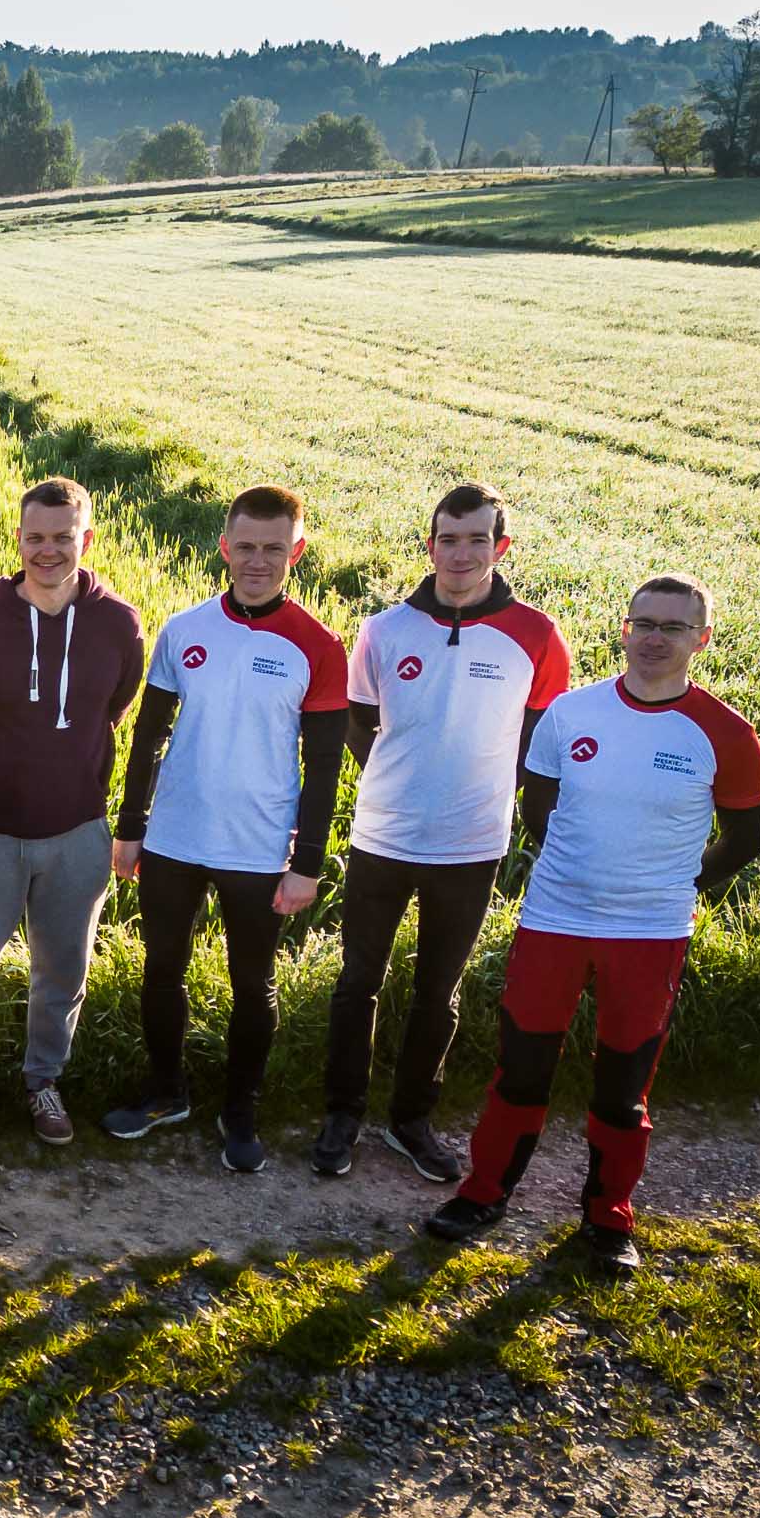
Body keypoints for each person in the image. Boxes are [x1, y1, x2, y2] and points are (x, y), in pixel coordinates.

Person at [424, 575, 760, 1277]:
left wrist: (676, 882)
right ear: (623, 628)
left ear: (701, 638)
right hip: (555, 920)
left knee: (621, 1086)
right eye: (643, 622)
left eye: (673, 627)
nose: (654, 638)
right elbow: (539, 807)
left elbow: (744, 839)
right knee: (520, 1068)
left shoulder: (725, 734)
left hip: (650, 934)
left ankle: (608, 1217)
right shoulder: (571, 714)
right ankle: (485, 1191)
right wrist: (579, 868)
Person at [314, 483, 570, 1182]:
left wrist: (483, 790)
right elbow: (358, 722)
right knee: (357, 981)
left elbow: (540, 740)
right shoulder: (385, 629)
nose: (460, 553)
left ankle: (410, 1120)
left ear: (501, 546)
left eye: (476, 539)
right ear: (430, 545)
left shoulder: (538, 636)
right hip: (382, 838)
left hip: (471, 845)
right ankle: (342, 1114)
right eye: (447, 539)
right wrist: (400, 779)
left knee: (438, 990)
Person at [105, 485, 347, 1173]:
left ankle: (240, 1109)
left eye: (274, 548)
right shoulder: (184, 629)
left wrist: (307, 861)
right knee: (162, 969)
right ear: (225, 547)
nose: (258, 561)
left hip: (260, 846)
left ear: (296, 551)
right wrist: (130, 827)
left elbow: (325, 762)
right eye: (246, 546)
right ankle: (165, 1091)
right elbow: (148, 734)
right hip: (175, 837)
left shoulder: (318, 644)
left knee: (252, 981)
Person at [0, 477, 144, 1149]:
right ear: (19, 540)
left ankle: (42, 1081)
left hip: (78, 830)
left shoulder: (118, 623)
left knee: (65, 970)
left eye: (63, 537)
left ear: (86, 539)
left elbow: (116, 703)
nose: (48, 549)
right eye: (36, 537)